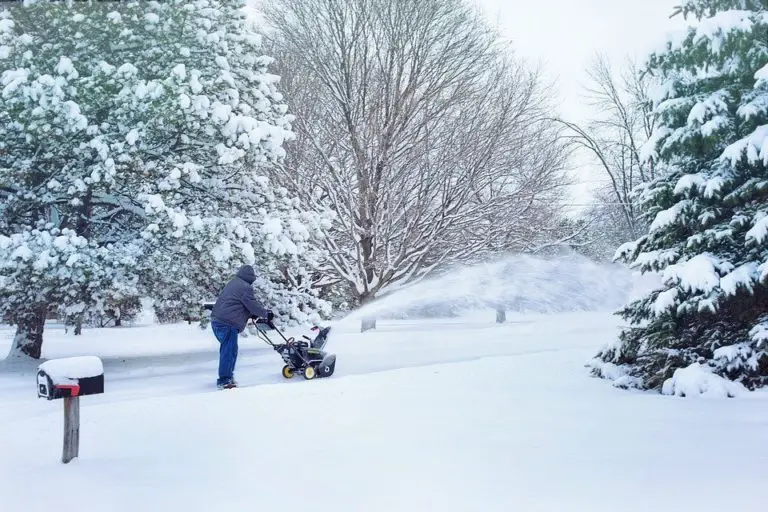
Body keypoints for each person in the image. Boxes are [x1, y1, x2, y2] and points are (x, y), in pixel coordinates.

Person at [210, 264, 273, 389]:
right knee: (228, 352)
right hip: (226, 323)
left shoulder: (234, 283)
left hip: (218, 321)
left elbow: (236, 304)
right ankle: (224, 380)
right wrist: (267, 314)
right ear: (250, 277)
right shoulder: (244, 287)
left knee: (230, 351)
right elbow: (252, 304)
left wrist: (251, 314)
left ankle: (227, 376)